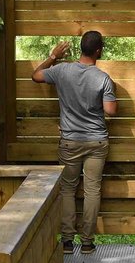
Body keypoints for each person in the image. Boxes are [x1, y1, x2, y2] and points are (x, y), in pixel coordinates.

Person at [32, 31, 117, 255]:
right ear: (99, 50)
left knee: (68, 189)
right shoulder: (103, 78)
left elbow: (36, 75)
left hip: (69, 141)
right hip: (96, 142)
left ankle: (67, 242)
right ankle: (87, 243)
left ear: (80, 48)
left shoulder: (61, 70)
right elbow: (110, 111)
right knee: (92, 190)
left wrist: (53, 56)